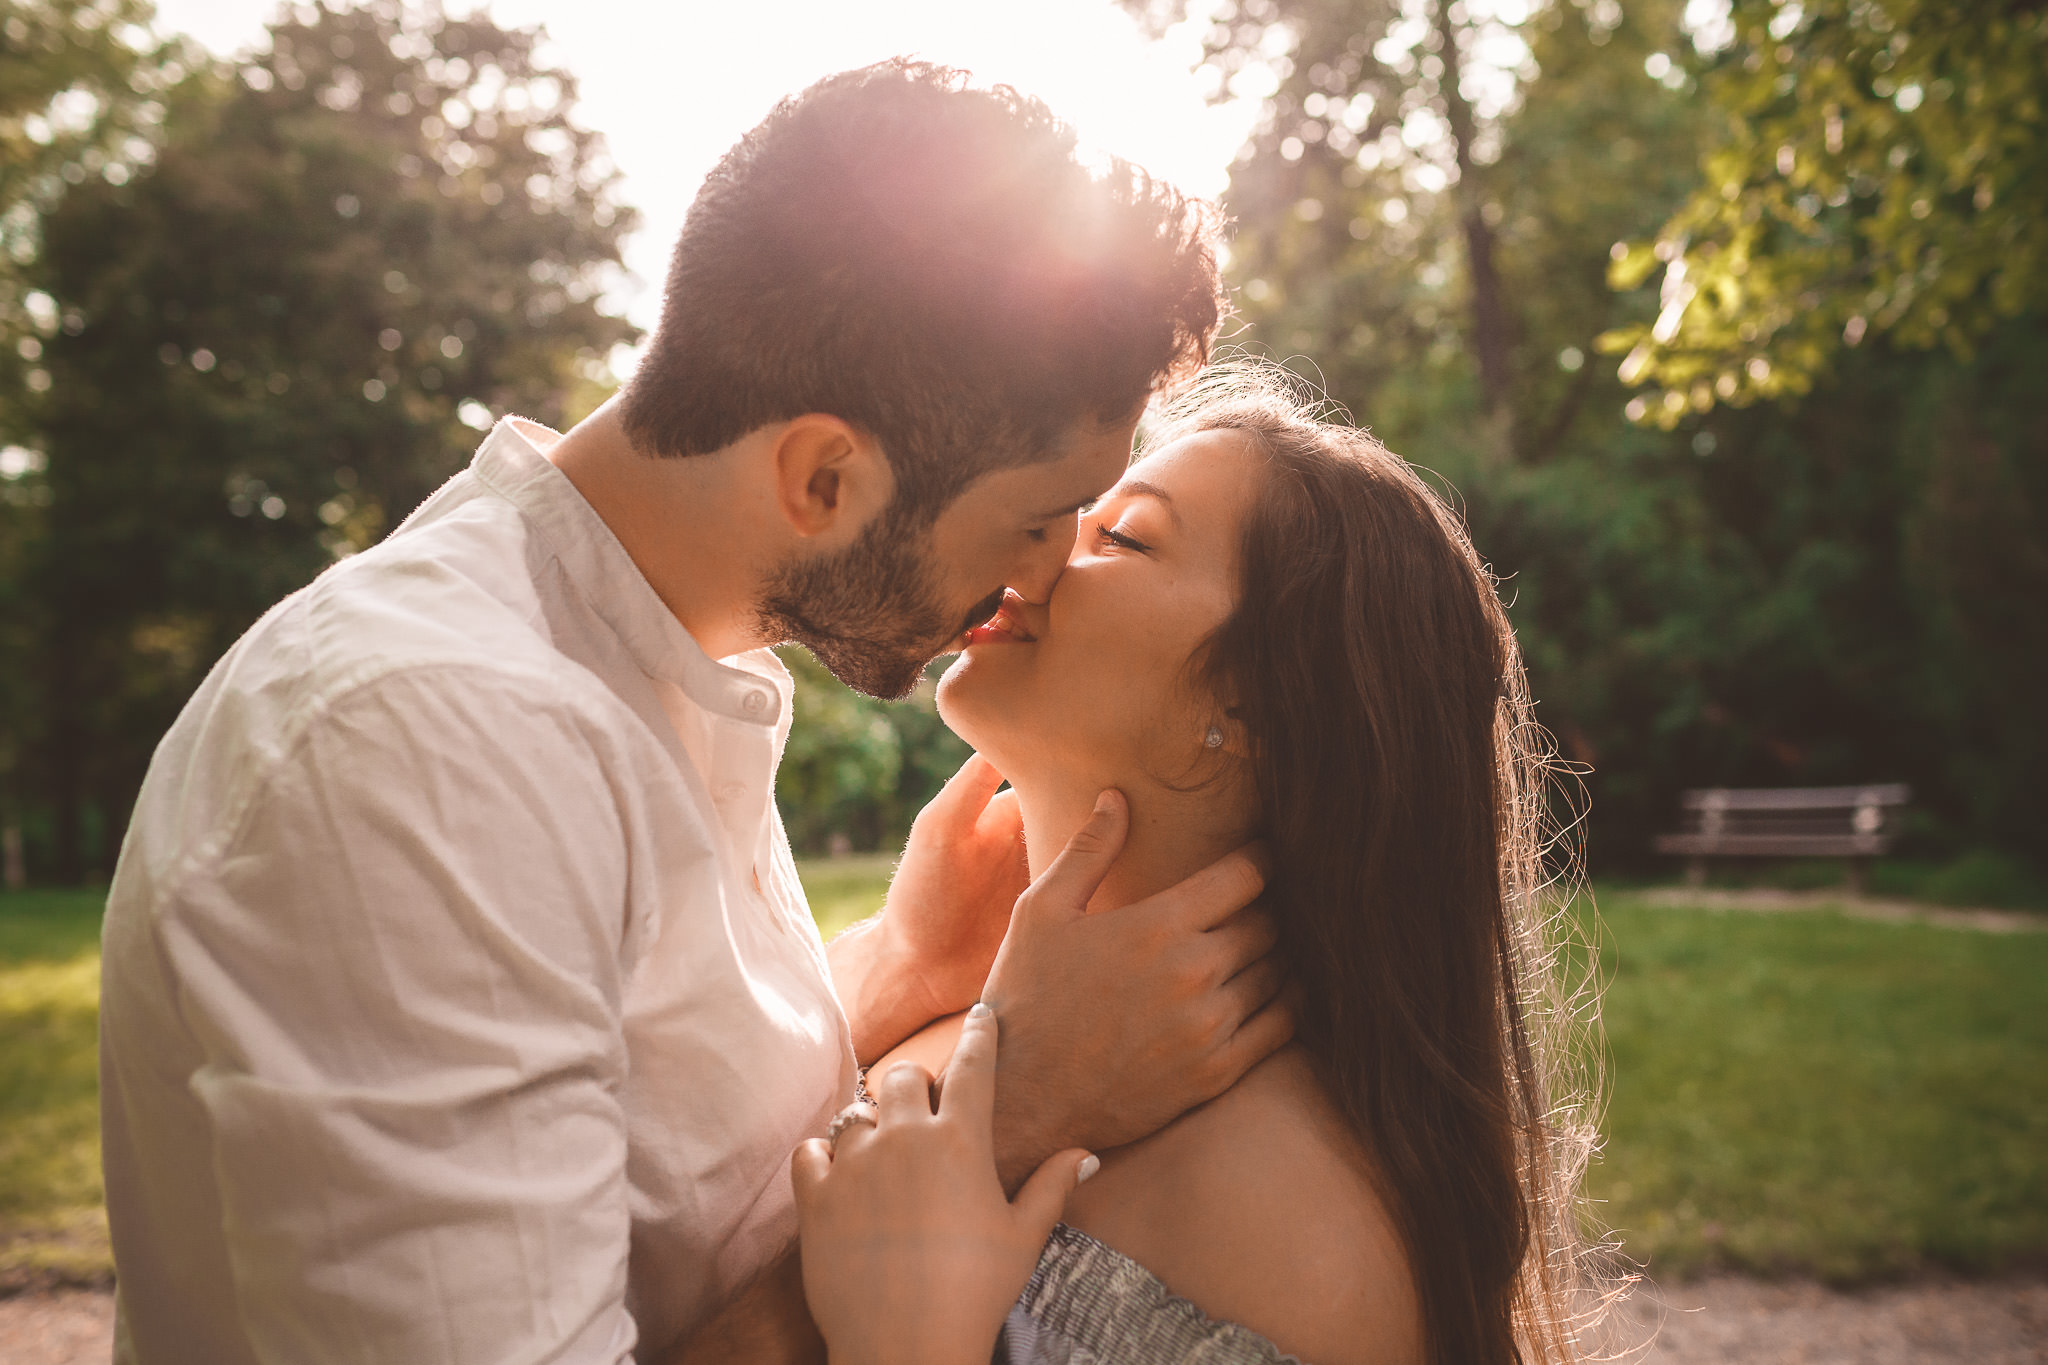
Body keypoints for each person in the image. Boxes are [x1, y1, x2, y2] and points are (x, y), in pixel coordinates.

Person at [96, 63, 1295, 1364]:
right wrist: (1005, 1111)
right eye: (1031, 520)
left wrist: (900, 967)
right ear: (822, 477)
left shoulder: (649, 658)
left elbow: (637, 1128)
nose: (1056, 571)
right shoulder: (433, 741)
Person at [790, 365, 1610, 1365]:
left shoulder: (1291, 1247)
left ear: (1254, 707)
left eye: (1120, 536)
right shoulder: (932, 1019)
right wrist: (902, 964)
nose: (1037, 550)